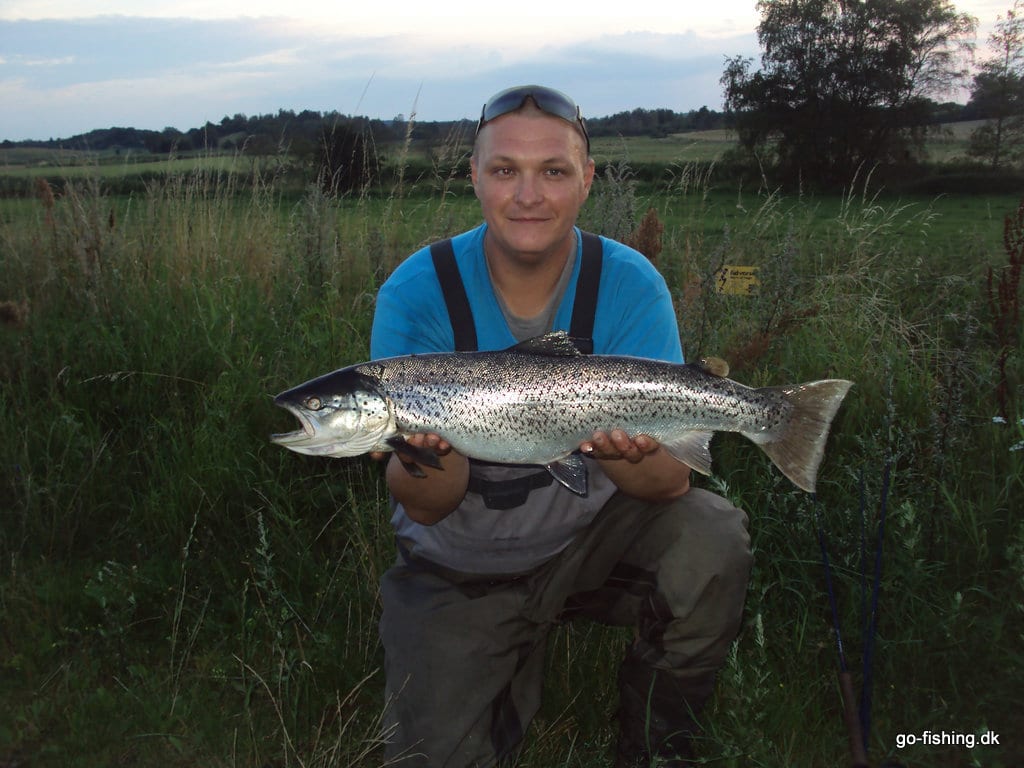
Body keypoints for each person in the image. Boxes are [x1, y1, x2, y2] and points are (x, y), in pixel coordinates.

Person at [369, 84, 752, 768]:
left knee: (712, 532)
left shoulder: (631, 284)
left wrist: (631, 452)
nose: (528, 196)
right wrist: (433, 450)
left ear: (587, 182)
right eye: (504, 170)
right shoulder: (415, 292)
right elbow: (426, 502)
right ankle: (496, 659)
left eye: (553, 171)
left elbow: (666, 486)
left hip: (591, 544)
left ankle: (660, 748)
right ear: (475, 177)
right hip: (459, 566)